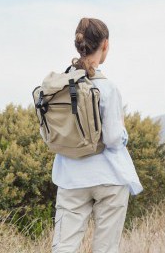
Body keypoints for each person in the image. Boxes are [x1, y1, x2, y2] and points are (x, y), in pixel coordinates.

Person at [51, 17, 143, 253]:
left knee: (64, 246)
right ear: (106, 45)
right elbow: (113, 139)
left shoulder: (59, 86)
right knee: (106, 249)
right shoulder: (107, 88)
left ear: (78, 45)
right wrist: (124, 135)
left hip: (70, 176)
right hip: (109, 177)